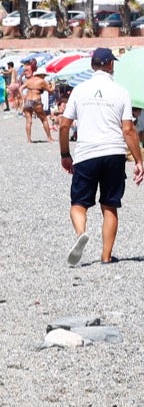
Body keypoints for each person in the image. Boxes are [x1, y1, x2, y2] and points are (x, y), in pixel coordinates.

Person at [60, 48, 144, 266]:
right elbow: (128, 130)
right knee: (110, 205)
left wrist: (65, 154)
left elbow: (64, 125)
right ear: (110, 65)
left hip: (86, 153)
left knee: (79, 203)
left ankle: (81, 233)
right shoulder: (121, 92)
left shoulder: (79, 90)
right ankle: (106, 257)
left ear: (92, 65)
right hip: (113, 153)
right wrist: (138, 161)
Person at [24, 71, 56, 143]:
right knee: (44, 119)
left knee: (28, 121)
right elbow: (50, 91)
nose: (44, 77)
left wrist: (22, 96)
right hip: (36, 101)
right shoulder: (42, 81)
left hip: (28, 100)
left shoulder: (29, 80)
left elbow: (21, 88)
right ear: (41, 75)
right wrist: (53, 85)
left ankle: (29, 140)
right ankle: (49, 138)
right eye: (44, 75)